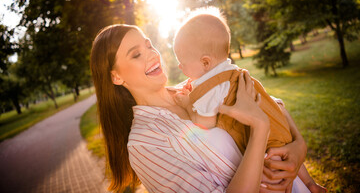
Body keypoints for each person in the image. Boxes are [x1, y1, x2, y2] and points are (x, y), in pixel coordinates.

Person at [90, 24, 308, 192]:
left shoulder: (195, 86)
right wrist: (260, 130)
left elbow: (269, 101)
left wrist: (299, 146)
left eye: (149, 45)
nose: (152, 54)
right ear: (116, 76)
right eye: (136, 54)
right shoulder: (144, 143)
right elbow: (260, 121)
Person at [172, 7, 326, 193]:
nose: (179, 66)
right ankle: (310, 184)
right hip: (279, 126)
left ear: (205, 63)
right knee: (286, 153)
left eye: (182, 61)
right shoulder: (232, 74)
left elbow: (205, 121)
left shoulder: (211, 87)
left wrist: (188, 104)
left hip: (266, 145)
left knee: (276, 180)